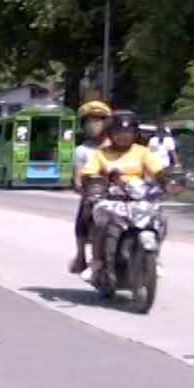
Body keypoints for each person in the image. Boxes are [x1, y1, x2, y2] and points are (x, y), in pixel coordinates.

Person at [73, 110, 169, 274]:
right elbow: (88, 173)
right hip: (110, 197)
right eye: (119, 133)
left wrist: (167, 180)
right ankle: (96, 262)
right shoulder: (100, 154)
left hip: (137, 196)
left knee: (159, 219)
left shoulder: (143, 152)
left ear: (135, 134)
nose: (123, 136)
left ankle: (155, 258)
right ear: (110, 134)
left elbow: (157, 170)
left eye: (128, 132)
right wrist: (94, 180)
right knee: (98, 222)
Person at [69, 99, 113, 273]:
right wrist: (81, 187)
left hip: (122, 193)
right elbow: (78, 178)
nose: (93, 124)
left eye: (98, 119)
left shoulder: (118, 146)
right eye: (89, 121)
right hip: (95, 195)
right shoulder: (82, 151)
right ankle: (81, 256)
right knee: (84, 215)